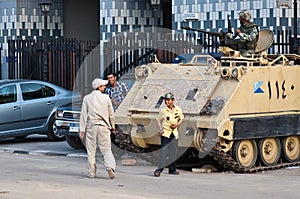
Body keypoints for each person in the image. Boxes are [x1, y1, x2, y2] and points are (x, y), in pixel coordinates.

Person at [79, 78, 116, 179]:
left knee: (91, 151)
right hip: (104, 126)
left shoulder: (87, 98)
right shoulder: (106, 98)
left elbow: (83, 115)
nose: (105, 87)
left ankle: (91, 173)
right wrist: (113, 127)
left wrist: (82, 130)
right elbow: (111, 114)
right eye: (103, 86)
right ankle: (110, 167)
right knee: (106, 149)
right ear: (99, 87)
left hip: (91, 126)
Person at [154, 92, 184, 177]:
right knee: (163, 152)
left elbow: (181, 118)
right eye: (165, 100)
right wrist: (160, 129)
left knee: (173, 152)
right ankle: (159, 169)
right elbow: (158, 119)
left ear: (173, 100)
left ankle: (172, 169)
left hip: (174, 134)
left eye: (168, 100)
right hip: (165, 134)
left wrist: (177, 125)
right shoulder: (163, 111)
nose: (166, 102)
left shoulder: (178, 109)